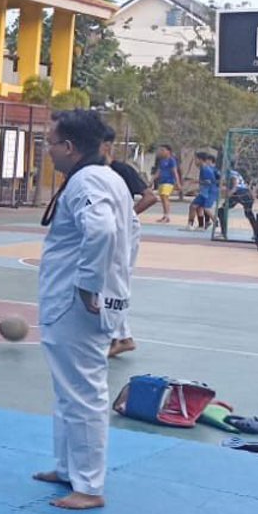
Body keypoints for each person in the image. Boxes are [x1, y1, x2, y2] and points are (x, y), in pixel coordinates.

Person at [34, 108, 137, 511]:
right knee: (68, 390)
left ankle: (89, 486)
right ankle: (67, 469)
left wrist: (92, 285)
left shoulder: (90, 180)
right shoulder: (106, 178)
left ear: (70, 147)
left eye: (50, 143)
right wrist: (115, 284)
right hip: (79, 300)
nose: (48, 150)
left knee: (84, 393)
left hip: (77, 303)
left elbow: (103, 230)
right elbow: (132, 233)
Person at [102, 131, 155, 358]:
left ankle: (122, 337)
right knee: (111, 279)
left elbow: (149, 197)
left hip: (124, 229)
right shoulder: (97, 173)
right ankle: (121, 336)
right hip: (114, 228)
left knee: (115, 279)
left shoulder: (121, 170)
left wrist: (127, 215)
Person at [216, 164, 257, 241]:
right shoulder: (233, 173)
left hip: (240, 194)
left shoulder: (231, 173)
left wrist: (229, 194)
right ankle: (256, 233)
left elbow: (235, 186)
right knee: (248, 213)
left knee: (222, 211)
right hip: (244, 193)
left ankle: (223, 233)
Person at [152, 144, 179, 222]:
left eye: (163, 150)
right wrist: (152, 180)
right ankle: (165, 215)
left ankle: (167, 216)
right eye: (161, 150)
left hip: (169, 181)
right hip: (162, 181)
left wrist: (177, 182)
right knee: (162, 199)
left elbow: (175, 171)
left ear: (168, 151)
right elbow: (158, 172)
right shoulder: (161, 161)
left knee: (165, 197)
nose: (161, 152)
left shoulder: (172, 160)